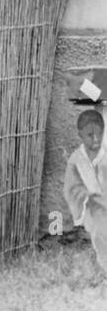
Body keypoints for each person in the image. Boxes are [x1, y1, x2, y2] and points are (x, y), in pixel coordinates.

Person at [59, 108, 107, 272]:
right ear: (80, 135)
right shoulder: (75, 160)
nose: (95, 139)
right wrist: (83, 194)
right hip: (90, 208)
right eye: (90, 135)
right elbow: (70, 187)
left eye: (99, 134)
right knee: (97, 236)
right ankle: (100, 267)